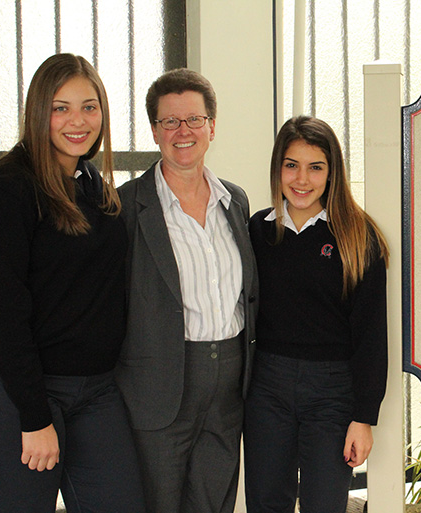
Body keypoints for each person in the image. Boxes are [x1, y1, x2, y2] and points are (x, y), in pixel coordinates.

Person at [0, 53, 145, 512]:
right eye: (60, 108)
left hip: (95, 391)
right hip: (18, 392)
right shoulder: (8, 190)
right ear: (37, 111)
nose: (77, 121)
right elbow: (4, 314)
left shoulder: (91, 185)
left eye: (89, 106)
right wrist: (34, 415)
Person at [115, 68, 259, 513]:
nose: (183, 131)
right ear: (155, 131)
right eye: (170, 122)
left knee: (213, 501)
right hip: (158, 384)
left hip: (229, 383)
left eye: (194, 120)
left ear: (212, 127)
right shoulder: (124, 207)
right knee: (158, 502)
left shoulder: (234, 200)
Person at [243, 115, 389, 513]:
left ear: (332, 173)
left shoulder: (358, 237)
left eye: (315, 167)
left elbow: (372, 337)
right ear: (278, 168)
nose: (301, 179)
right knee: (265, 501)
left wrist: (364, 417)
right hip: (267, 387)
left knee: (324, 503)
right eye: (291, 165)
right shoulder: (257, 230)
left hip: (333, 394)